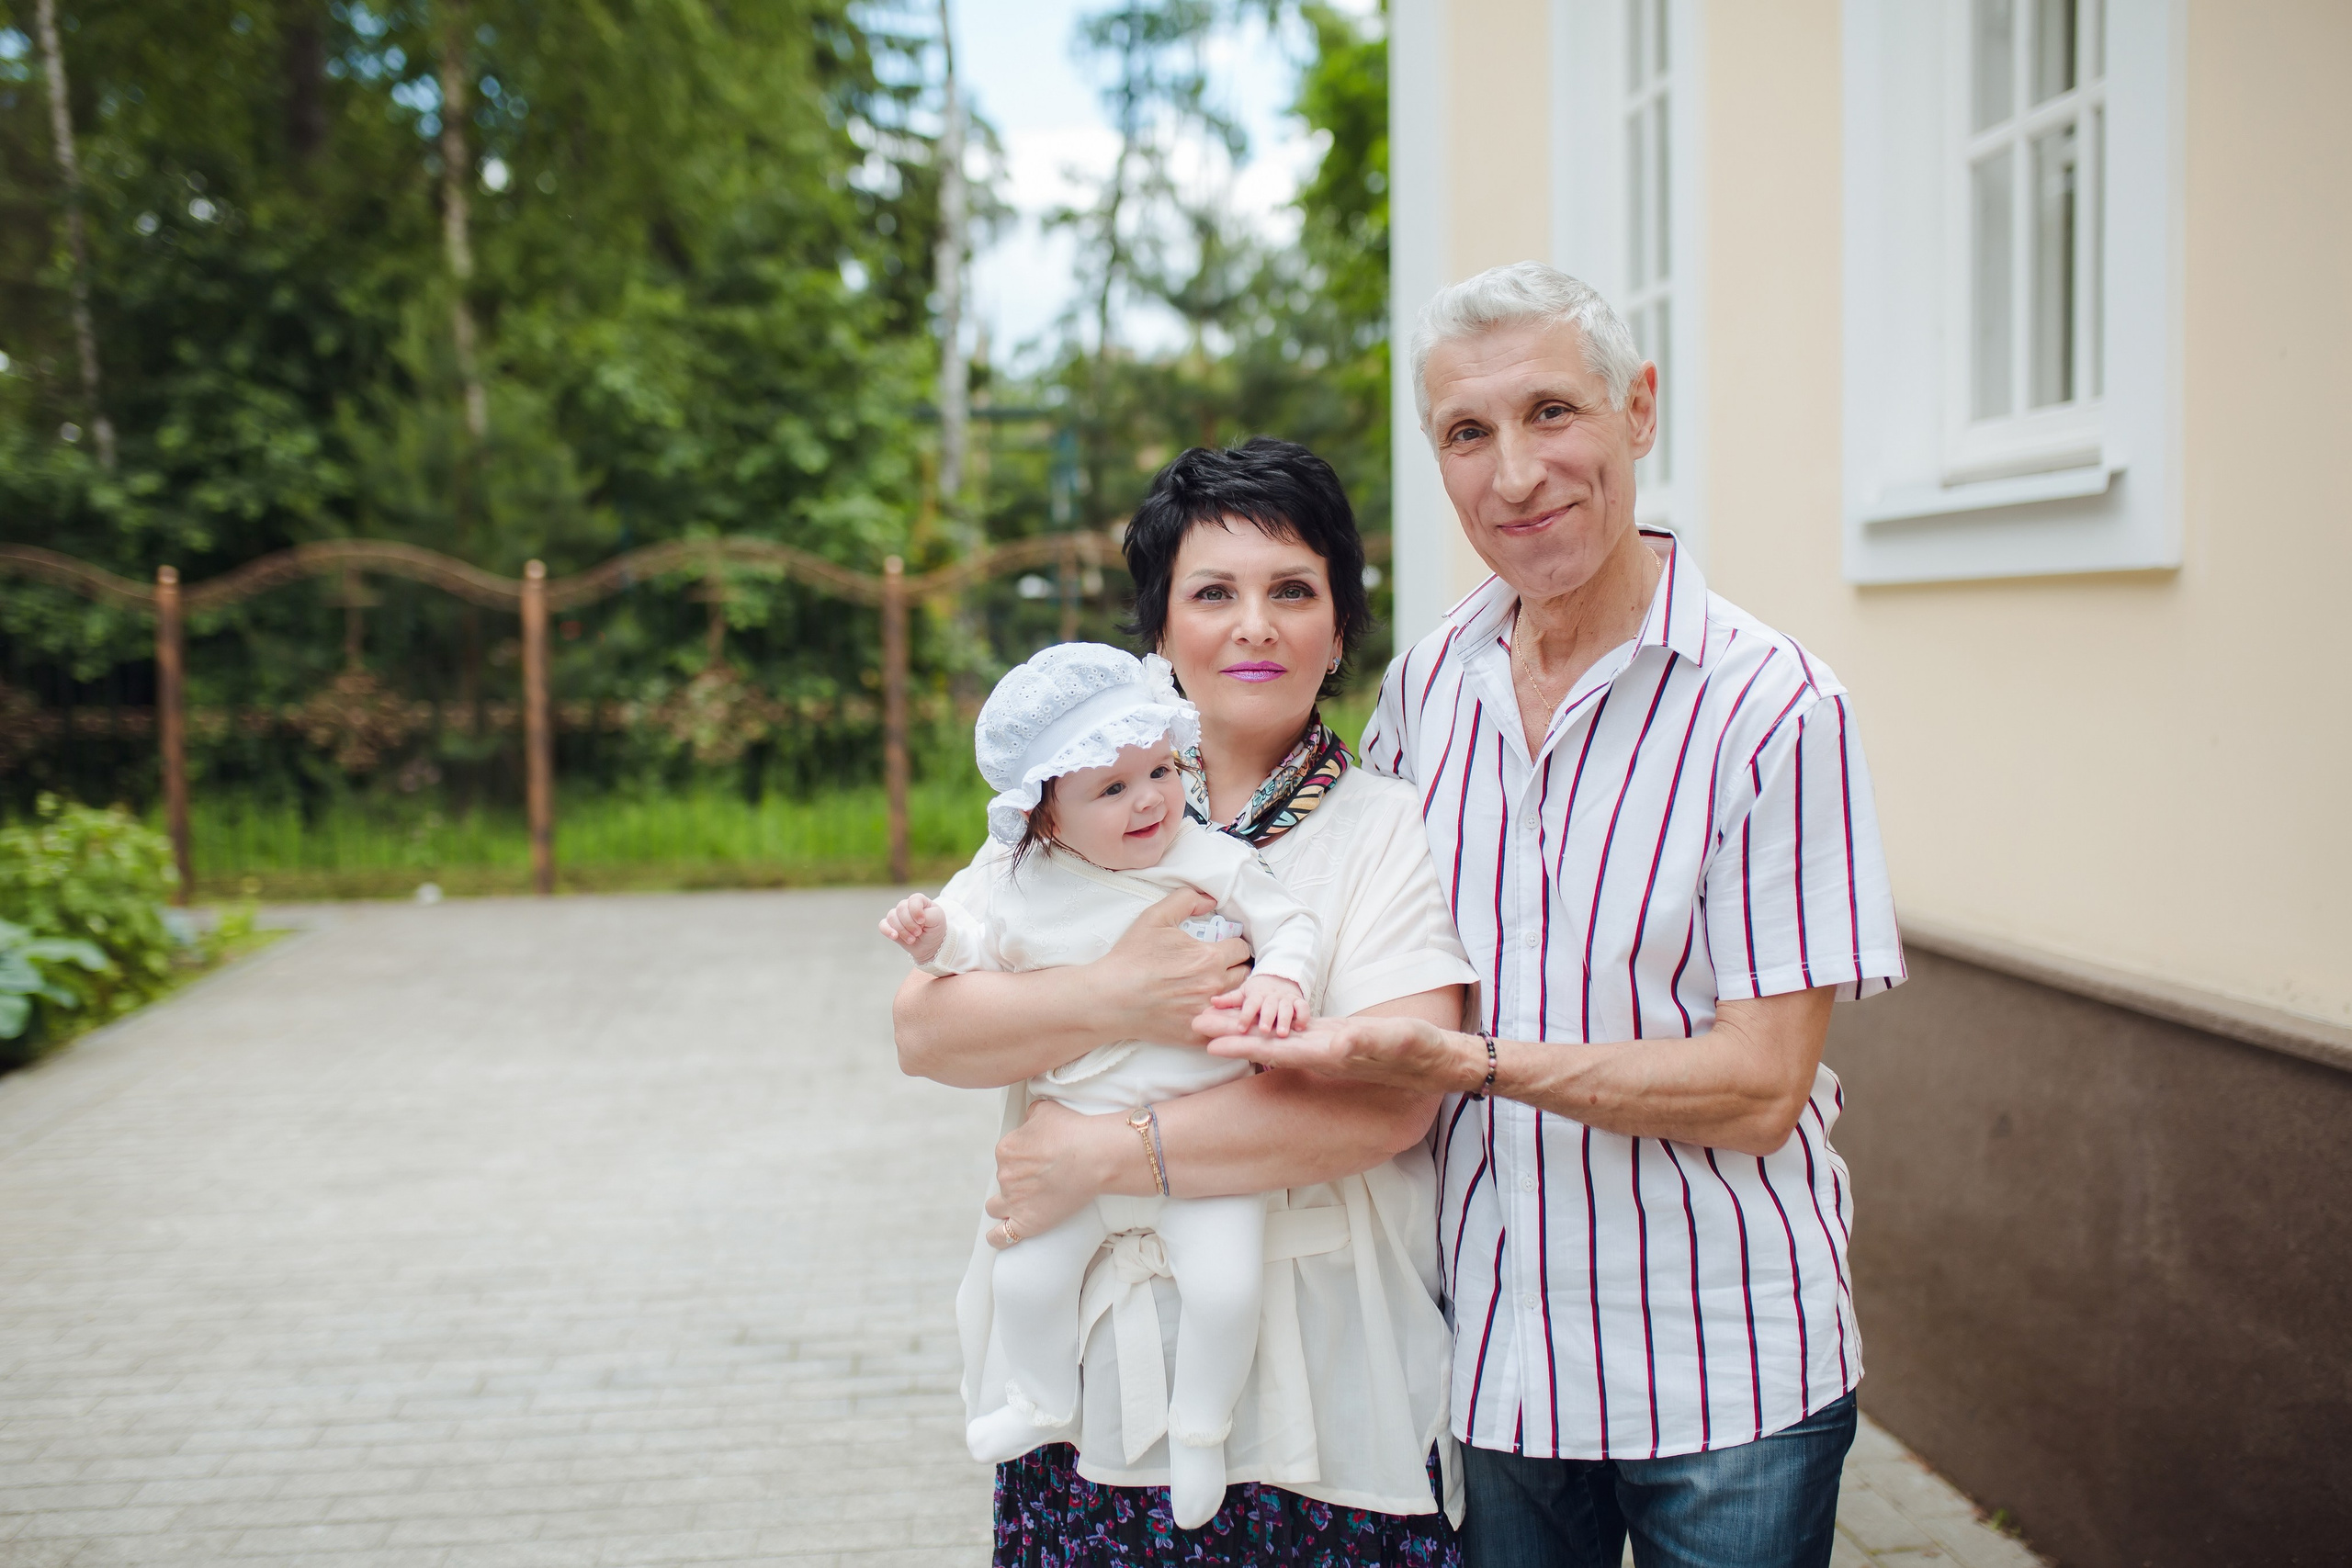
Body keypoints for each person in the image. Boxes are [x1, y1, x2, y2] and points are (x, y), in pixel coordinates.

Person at [1204, 263, 1907, 1568]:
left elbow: (1763, 1088)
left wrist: (1469, 1062)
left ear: (1638, 409)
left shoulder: (1774, 707)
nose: (1515, 473)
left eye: (1551, 413)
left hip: (1724, 1369)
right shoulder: (1427, 687)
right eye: (1468, 433)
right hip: (1493, 1359)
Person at [894, 438, 1477, 1564]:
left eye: (1293, 591)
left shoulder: (1388, 828)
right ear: (1157, 632)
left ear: (1339, 630)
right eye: (1212, 594)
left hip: (1324, 1381)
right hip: (1094, 1385)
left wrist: (1098, 1153)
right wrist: (1120, 993)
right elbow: (926, 1031)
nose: (1254, 626)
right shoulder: (1077, 809)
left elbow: (1391, 1101)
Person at [878, 640, 1322, 1527]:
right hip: (1070, 1144)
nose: (1149, 798)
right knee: (1024, 1282)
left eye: (1159, 770)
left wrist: (1281, 978)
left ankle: (1200, 1429)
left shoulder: (1206, 857)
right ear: (1043, 817)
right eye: (1112, 788)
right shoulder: (1023, 884)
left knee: (1226, 1288)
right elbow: (975, 953)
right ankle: (1041, 1397)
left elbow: (1292, 924)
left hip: (1201, 1140)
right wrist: (933, 940)